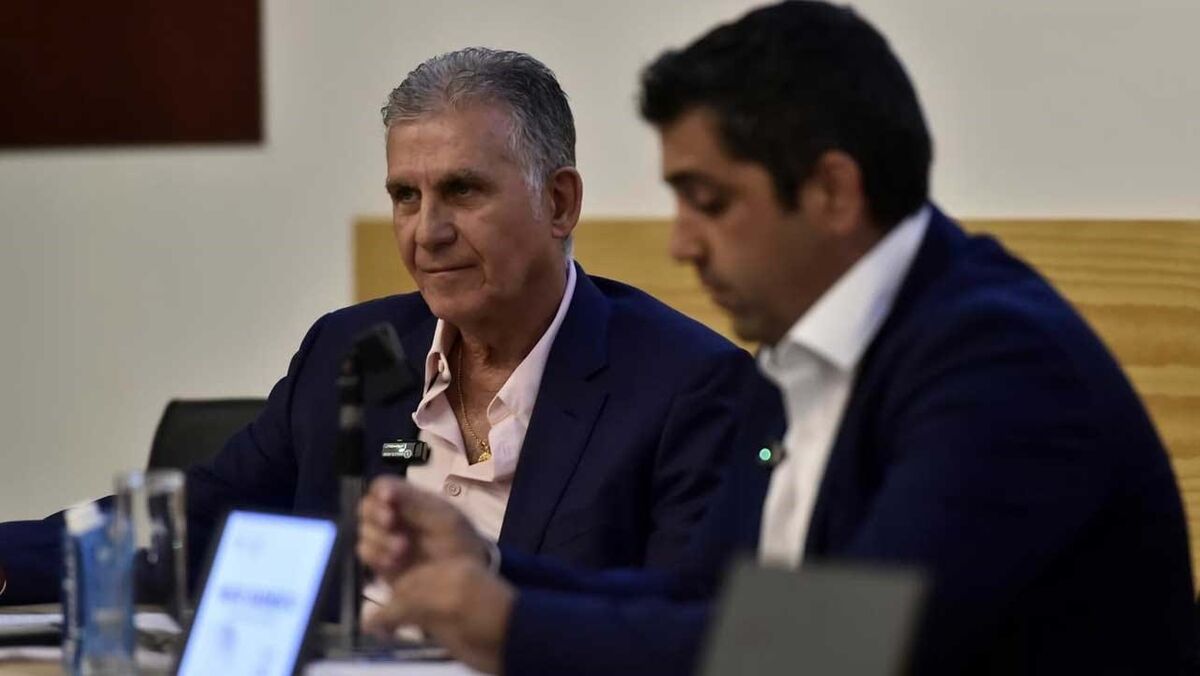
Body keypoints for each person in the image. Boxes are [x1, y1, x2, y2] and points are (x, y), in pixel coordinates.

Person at [356, 3, 1196, 674]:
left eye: (709, 202)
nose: (681, 243)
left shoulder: (1000, 366)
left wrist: (513, 628)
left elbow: (849, 645)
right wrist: (495, 571)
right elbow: (705, 598)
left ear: (832, 192)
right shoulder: (794, 360)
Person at [0, 48, 754, 605]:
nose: (427, 232)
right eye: (405, 196)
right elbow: (197, 522)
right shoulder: (349, 353)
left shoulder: (685, 387)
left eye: (462, 191)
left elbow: (674, 625)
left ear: (558, 203)